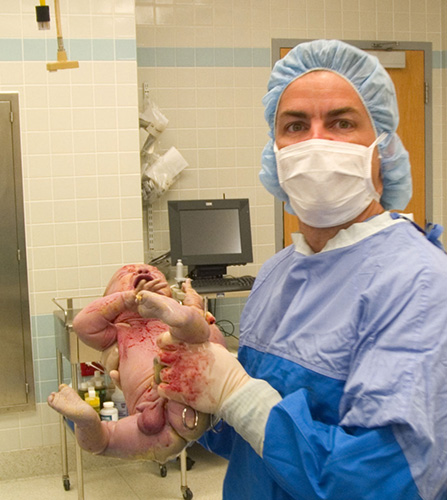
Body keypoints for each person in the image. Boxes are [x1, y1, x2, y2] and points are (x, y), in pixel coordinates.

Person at [153, 40, 447, 499]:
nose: (316, 142)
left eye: (342, 123)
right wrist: (197, 397)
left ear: (382, 149)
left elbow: (383, 482)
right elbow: (254, 442)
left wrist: (233, 392)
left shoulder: (420, 282)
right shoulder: (277, 274)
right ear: (274, 153)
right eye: (295, 125)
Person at [47, 264, 225, 464]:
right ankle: (88, 421)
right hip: (148, 411)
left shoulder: (172, 323)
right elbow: (82, 324)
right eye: (126, 274)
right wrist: (126, 300)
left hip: (191, 387)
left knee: (206, 333)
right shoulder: (120, 331)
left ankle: (194, 317)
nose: (142, 272)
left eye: (155, 272)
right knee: (107, 441)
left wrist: (194, 306)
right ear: (110, 300)